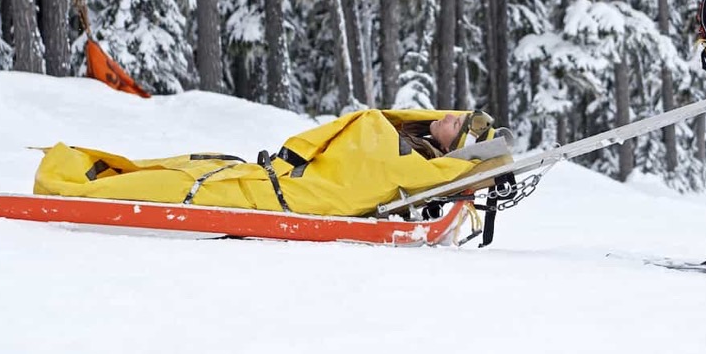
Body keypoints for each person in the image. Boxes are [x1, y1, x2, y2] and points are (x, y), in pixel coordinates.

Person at [32, 108, 512, 218]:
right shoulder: (405, 135)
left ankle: (70, 186)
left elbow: (371, 158)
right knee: (190, 168)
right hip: (280, 178)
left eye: (459, 123)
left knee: (180, 186)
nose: (450, 113)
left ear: (455, 147)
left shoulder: (414, 160)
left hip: (288, 194)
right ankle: (84, 166)